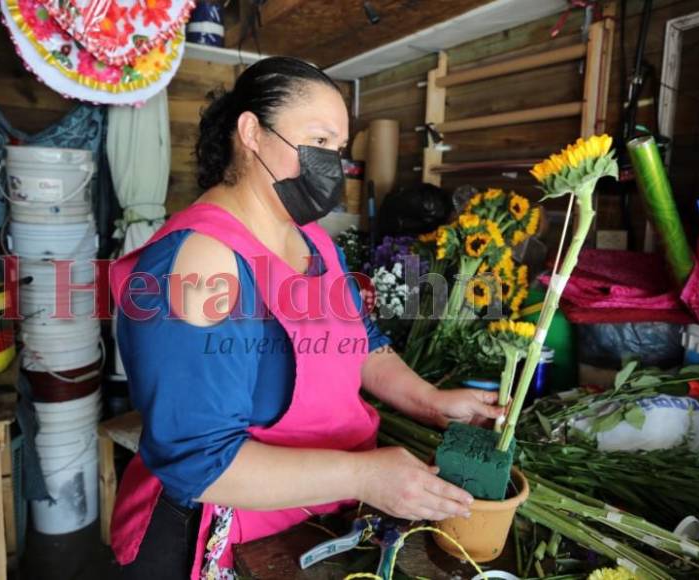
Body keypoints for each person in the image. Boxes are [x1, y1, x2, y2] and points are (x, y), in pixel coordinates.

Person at [109, 56, 503, 579]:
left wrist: (428, 400)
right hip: (216, 534)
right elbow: (198, 462)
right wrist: (364, 477)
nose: (332, 166)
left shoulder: (311, 237)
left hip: (312, 517)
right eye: (318, 142)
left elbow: (359, 339)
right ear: (250, 131)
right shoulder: (202, 261)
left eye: (338, 150)